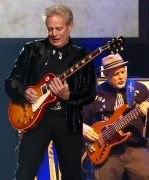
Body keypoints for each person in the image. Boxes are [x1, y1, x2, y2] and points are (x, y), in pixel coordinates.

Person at [4, 4, 96, 180]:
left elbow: (90, 92)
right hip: (36, 119)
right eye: (50, 29)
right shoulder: (32, 50)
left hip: (68, 120)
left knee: (72, 173)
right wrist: (24, 92)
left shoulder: (82, 56)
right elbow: (10, 81)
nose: (54, 33)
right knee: (25, 172)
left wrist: (68, 96)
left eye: (59, 28)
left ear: (70, 26)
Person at [83, 53, 149, 180]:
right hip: (106, 151)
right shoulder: (95, 93)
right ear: (106, 75)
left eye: (123, 72)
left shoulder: (140, 89)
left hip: (135, 147)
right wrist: (82, 128)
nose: (121, 77)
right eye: (116, 74)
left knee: (146, 175)